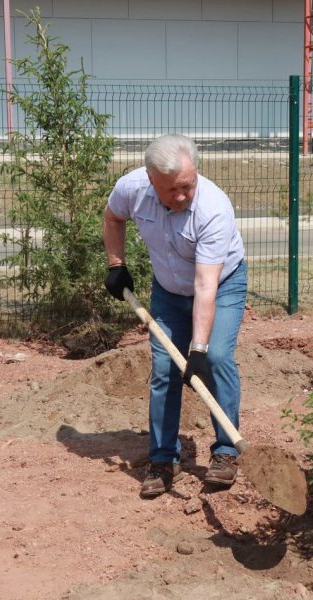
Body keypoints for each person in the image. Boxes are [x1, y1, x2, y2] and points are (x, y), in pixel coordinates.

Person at [102, 134, 247, 499]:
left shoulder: (213, 208)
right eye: (172, 190)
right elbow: (112, 216)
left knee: (214, 358)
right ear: (151, 180)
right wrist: (116, 264)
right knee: (164, 368)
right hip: (167, 290)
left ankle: (226, 452)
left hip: (221, 285)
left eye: (188, 186)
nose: (182, 195)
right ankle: (164, 459)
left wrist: (197, 348)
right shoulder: (132, 188)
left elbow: (206, 286)